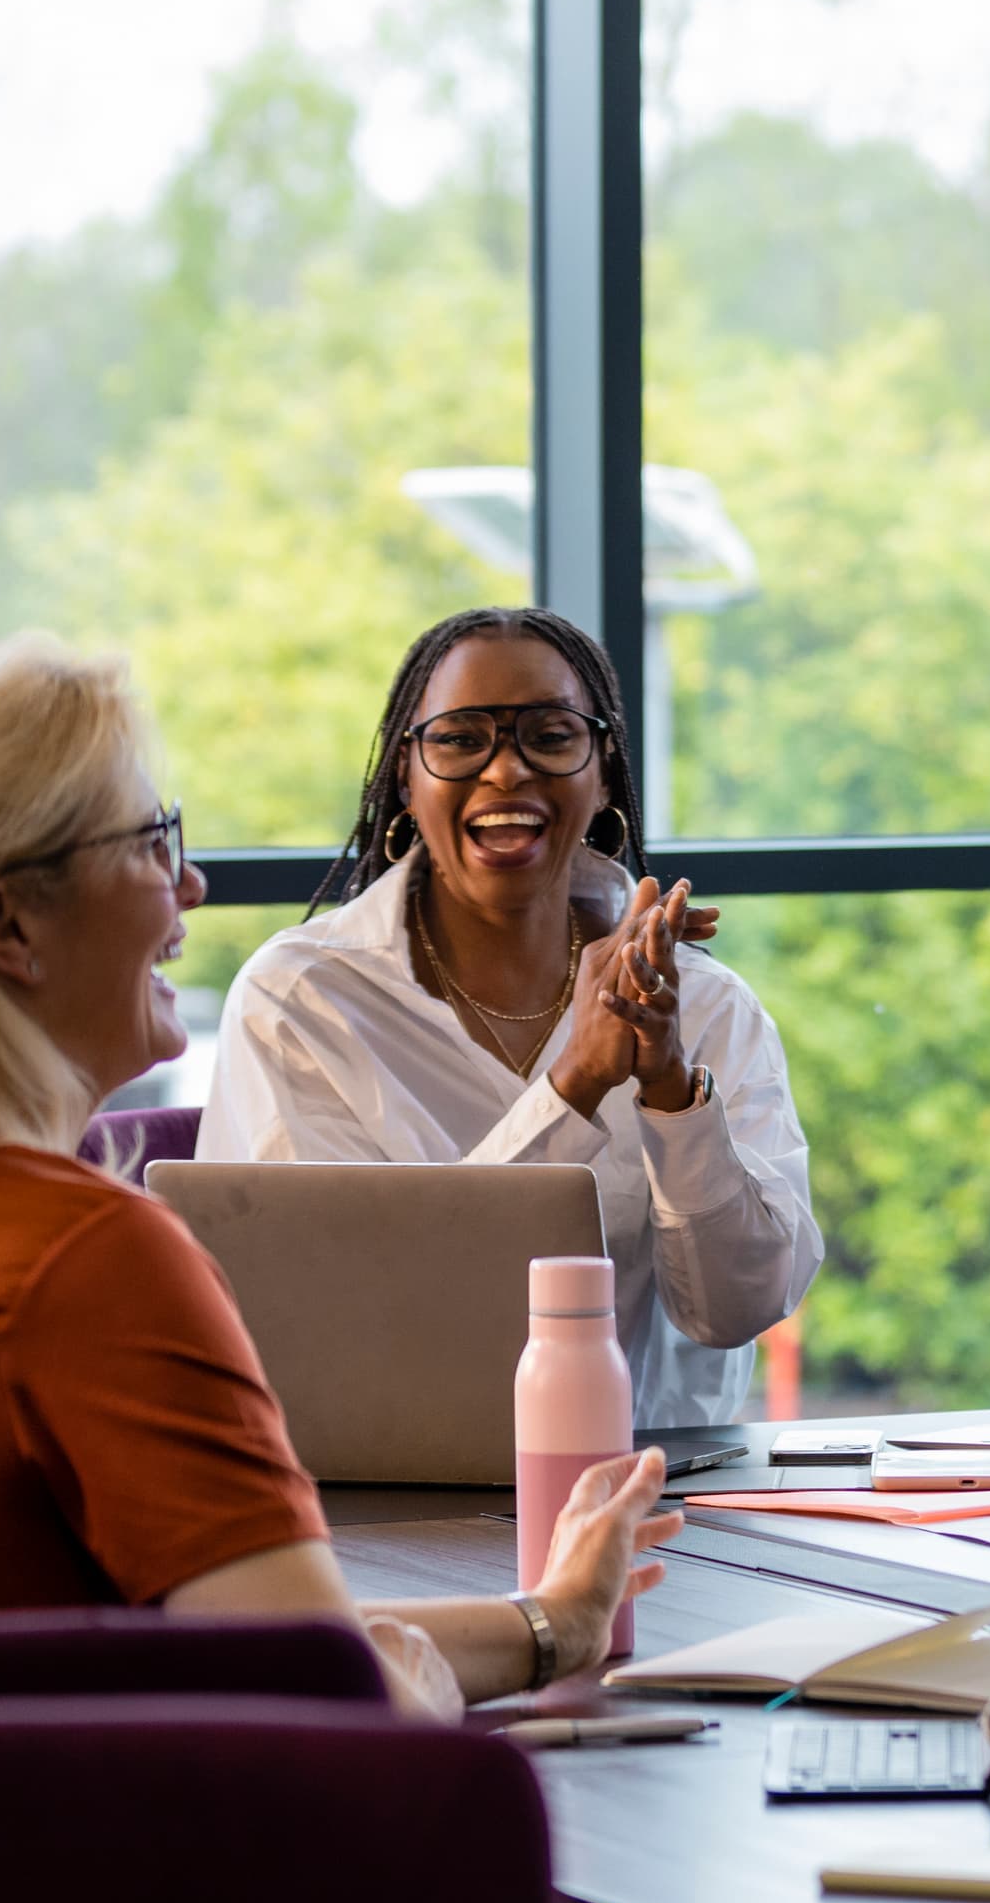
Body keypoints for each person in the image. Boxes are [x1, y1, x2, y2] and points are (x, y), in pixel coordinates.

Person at [0, 637, 674, 1716]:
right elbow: (322, 1703)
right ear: (9, 924)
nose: (192, 884)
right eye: (150, 841)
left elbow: (253, 1644)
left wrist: (549, 1622)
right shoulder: (79, 1260)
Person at [200, 607, 823, 1428]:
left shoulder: (704, 1006)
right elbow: (357, 1322)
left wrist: (671, 1092)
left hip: (662, 1498)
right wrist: (575, 1084)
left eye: (551, 735)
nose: (506, 772)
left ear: (602, 773)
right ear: (405, 776)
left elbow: (738, 1310)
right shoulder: (302, 1003)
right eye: (460, 739)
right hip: (390, 1505)